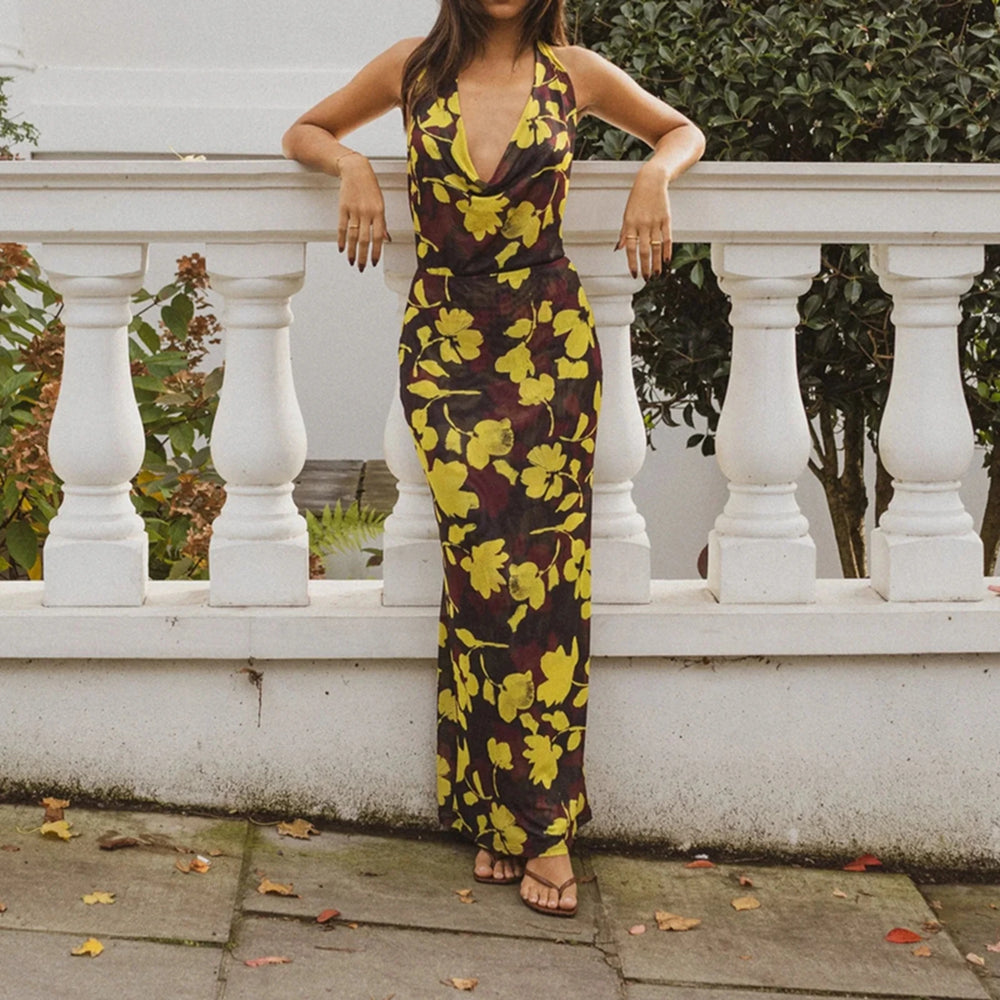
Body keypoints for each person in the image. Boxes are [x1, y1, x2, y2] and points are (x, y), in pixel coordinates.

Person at [283, 0, 705, 918]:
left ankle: (535, 823)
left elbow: (681, 130)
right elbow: (305, 130)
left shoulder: (576, 74)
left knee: (545, 575)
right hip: (445, 344)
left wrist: (652, 178)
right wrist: (354, 163)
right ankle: (499, 807)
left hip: (550, 340)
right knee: (481, 571)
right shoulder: (411, 68)